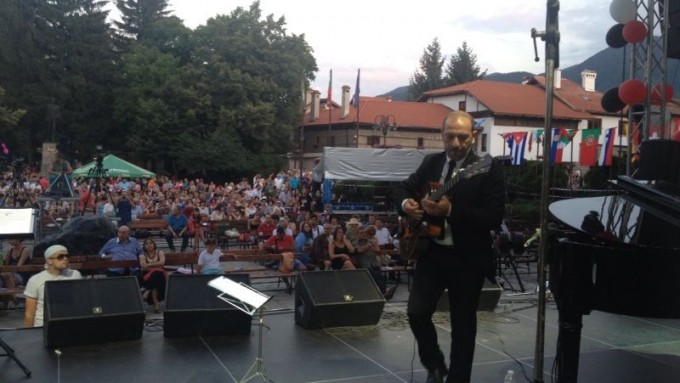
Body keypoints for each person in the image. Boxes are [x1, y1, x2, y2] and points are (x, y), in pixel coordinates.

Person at [393, 110, 505, 383]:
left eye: (463, 137)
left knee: (463, 326)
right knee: (416, 312)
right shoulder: (431, 163)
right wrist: (407, 204)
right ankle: (434, 364)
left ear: (474, 136)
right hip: (432, 252)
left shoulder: (487, 168)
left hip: (468, 259)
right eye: (450, 136)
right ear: (441, 136)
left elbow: (493, 216)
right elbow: (400, 190)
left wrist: (451, 210)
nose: (456, 144)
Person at [24, 245, 82, 327]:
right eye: (60, 257)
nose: (65, 259)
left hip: (69, 323)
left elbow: (79, 301)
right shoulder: (35, 280)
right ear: (49, 261)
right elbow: (29, 313)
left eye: (67, 256)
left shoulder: (75, 275)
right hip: (43, 326)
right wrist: (28, 334)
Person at [139, 239, 167, 313]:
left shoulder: (159, 252)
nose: (149, 245)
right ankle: (156, 303)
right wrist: (156, 265)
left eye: (151, 243)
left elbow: (162, 263)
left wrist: (149, 265)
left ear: (154, 244)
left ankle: (147, 291)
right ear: (144, 246)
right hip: (148, 276)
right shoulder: (142, 255)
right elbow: (143, 267)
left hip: (159, 274)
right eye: (147, 244)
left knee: (157, 274)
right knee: (156, 275)